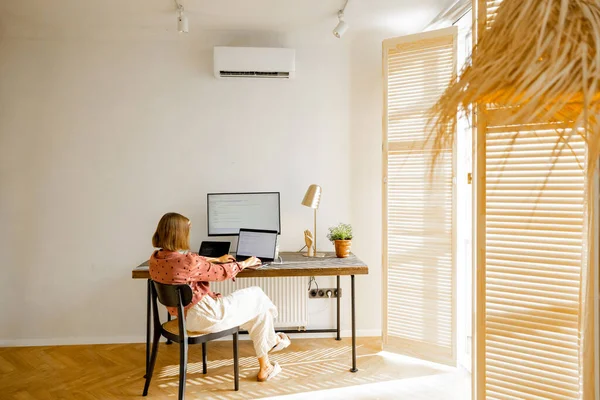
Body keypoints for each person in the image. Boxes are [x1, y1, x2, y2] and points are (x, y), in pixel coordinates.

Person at [149, 212, 291, 381]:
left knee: (258, 313)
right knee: (257, 294)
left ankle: (265, 367)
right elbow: (221, 272)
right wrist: (246, 263)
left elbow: (190, 260)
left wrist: (216, 258)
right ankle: (273, 339)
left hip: (185, 318)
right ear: (178, 234)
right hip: (207, 315)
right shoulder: (188, 262)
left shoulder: (156, 259)